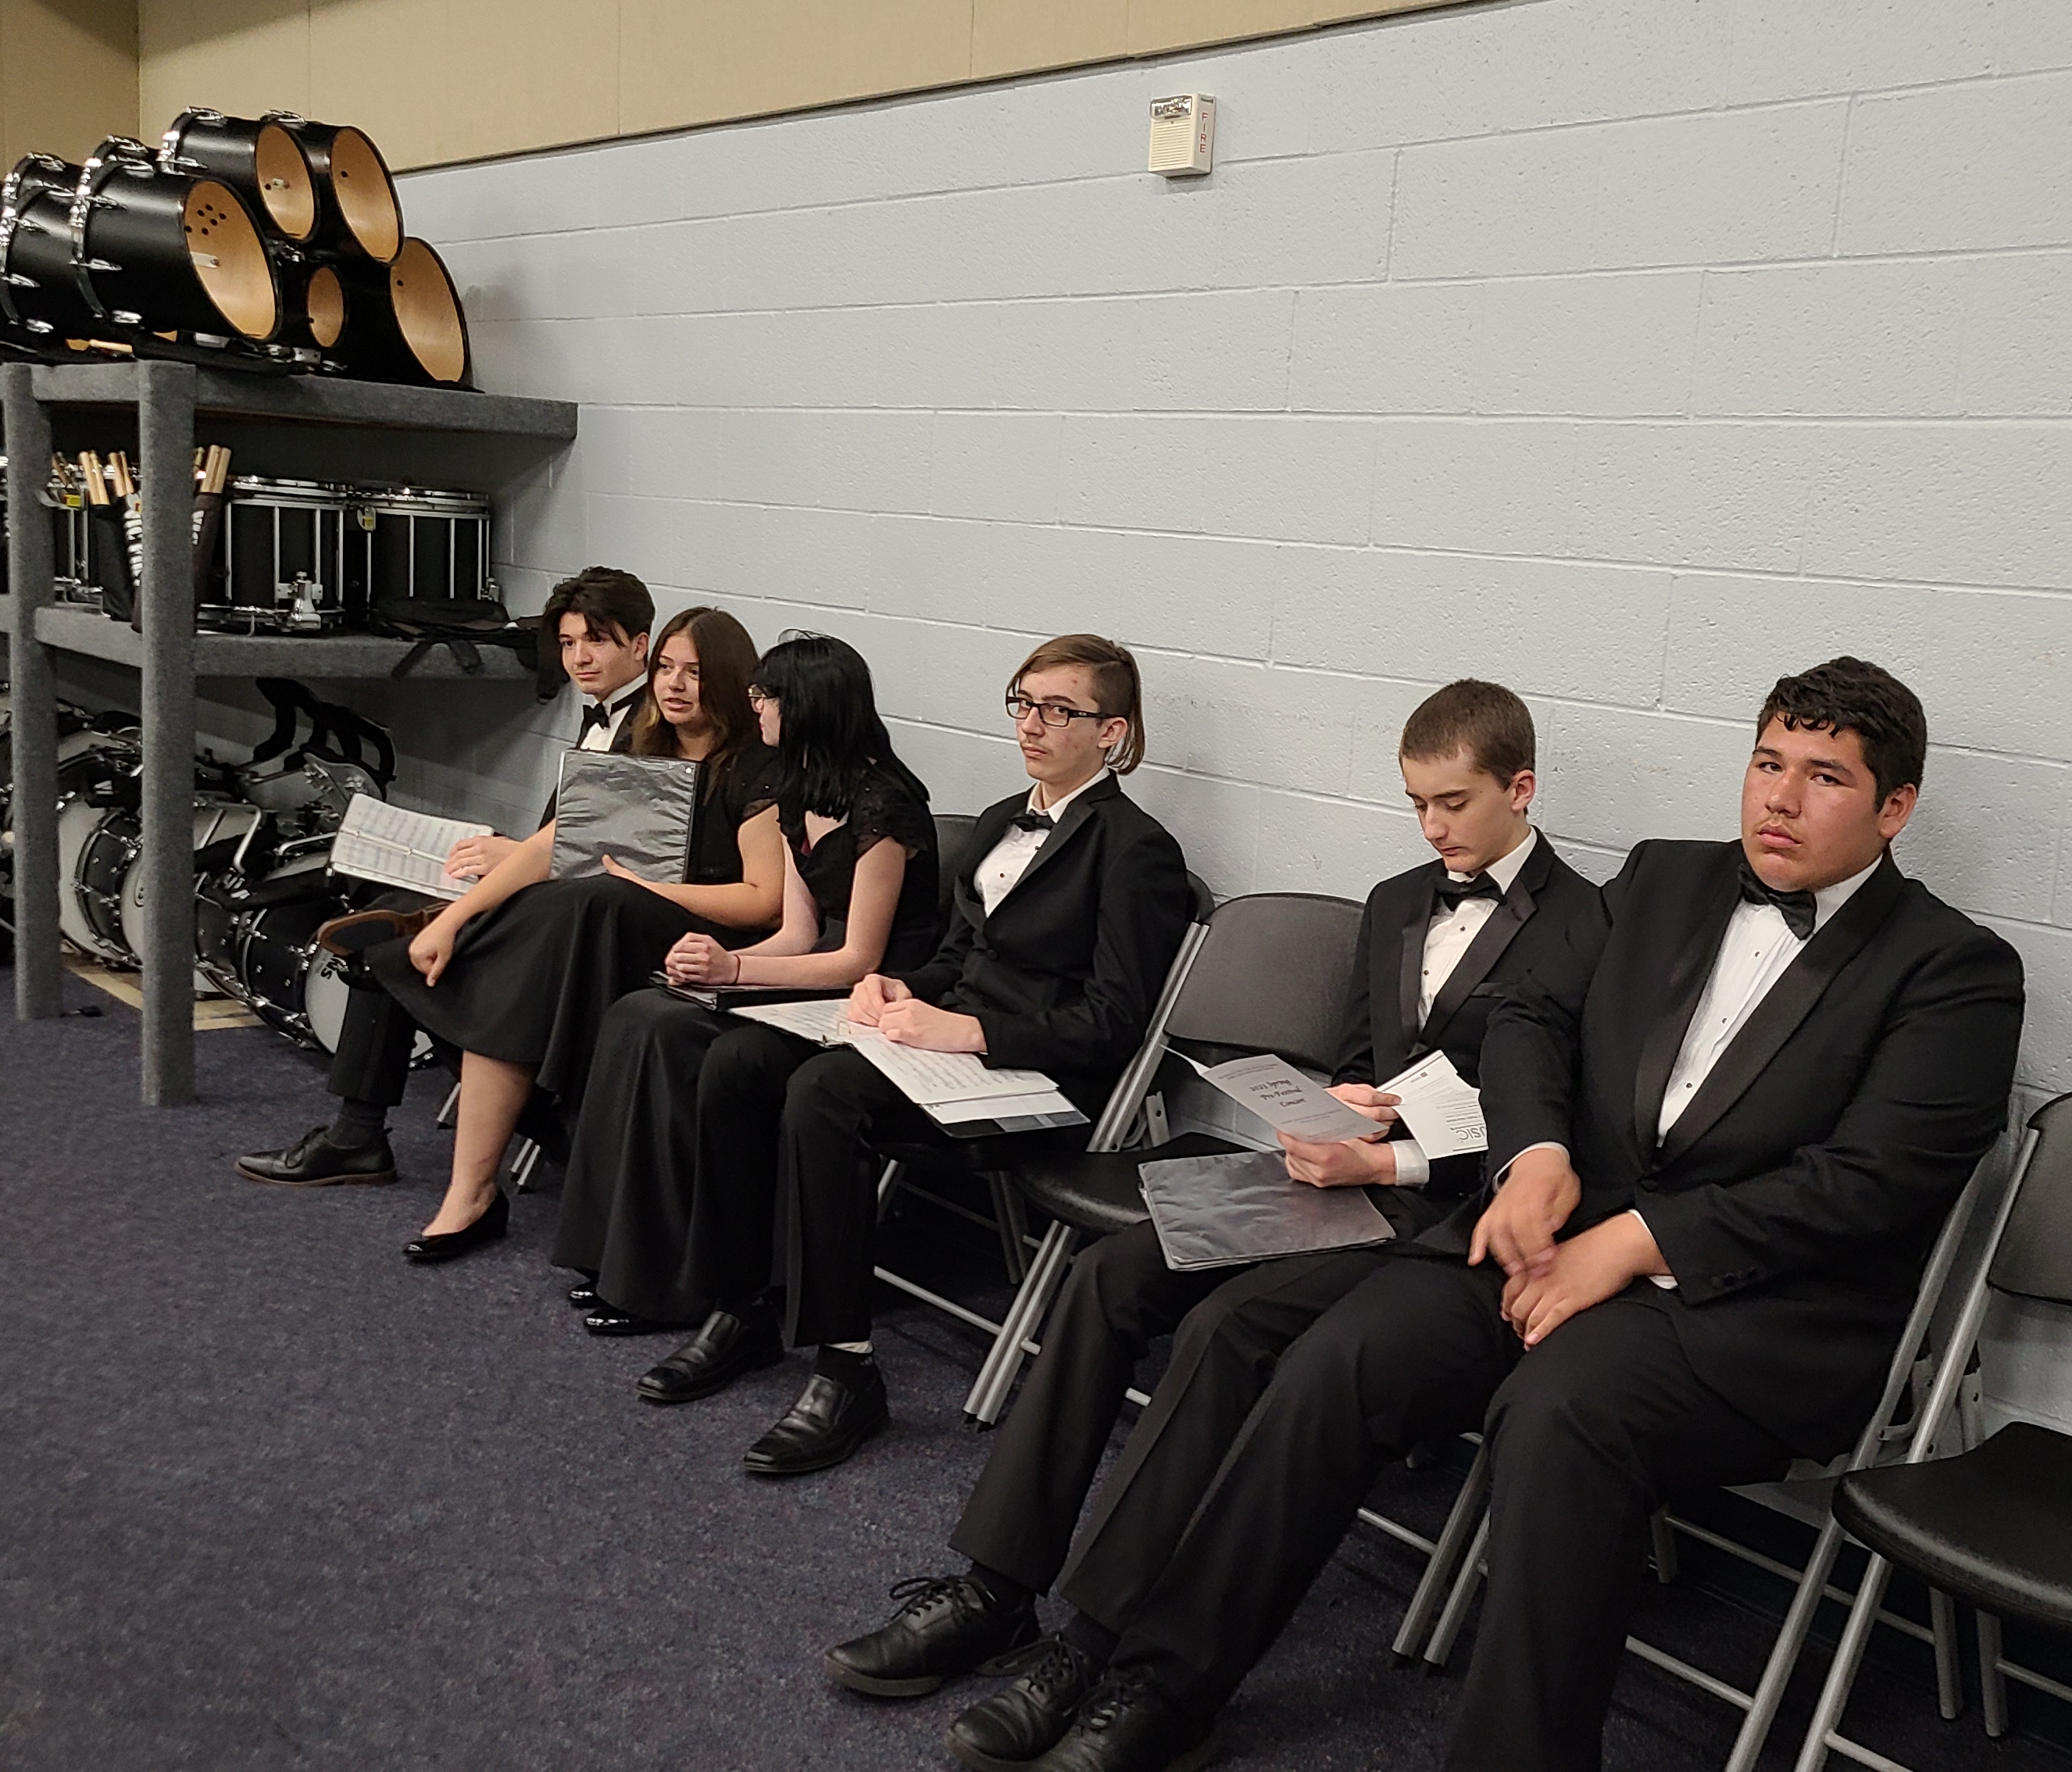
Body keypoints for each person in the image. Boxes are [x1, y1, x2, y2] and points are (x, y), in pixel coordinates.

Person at [1008, 658, 2027, 1772]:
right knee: (1339, 1356)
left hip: (1751, 1307)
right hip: (1552, 1235)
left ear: (1895, 808)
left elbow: (1870, 1184)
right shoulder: (1663, 877)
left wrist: (1633, 1244)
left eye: (1824, 778)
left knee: (1557, 1415)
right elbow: (1530, 1013)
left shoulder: (1957, 969)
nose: (1779, 799)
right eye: (1767, 763)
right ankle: (1165, 1683)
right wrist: (1535, 1153)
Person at [824, 680, 1610, 1770]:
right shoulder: (1395, 899)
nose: (1432, 828)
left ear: (1520, 790)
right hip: (1341, 1176)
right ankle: (996, 1587)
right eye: (1416, 804)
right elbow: (1361, 1058)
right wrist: (1334, 1108)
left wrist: (1389, 1153)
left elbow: (1550, 1121)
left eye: (1454, 804)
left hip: (1441, 1220)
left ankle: (1096, 1641)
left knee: (1223, 1329)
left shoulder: (1589, 926)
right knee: (1108, 1274)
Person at [646, 634, 1195, 1481]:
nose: (1032, 725)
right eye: (1024, 703)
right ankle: (742, 1302)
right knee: (740, 1060)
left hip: (1039, 1078)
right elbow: (958, 960)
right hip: (951, 1048)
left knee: (825, 1094)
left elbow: (1113, 1023)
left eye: (1059, 711)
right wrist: (897, 988)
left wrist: (970, 1033)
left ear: (1111, 732)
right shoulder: (1000, 821)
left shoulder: (1136, 849)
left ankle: (847, 1367)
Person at [553, 631, 948, 1345]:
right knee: (645, 1013)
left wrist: (734, 973)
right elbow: (796, 935)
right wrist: (715, 967)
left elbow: (857, 959)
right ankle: (622, 1260)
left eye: (768, 695)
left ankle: (681, 1283)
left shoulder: (886, 807)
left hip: (875, 994)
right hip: (814, 976)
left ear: (810, 706)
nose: (755, 705)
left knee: (686, 1040)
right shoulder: (802, 791)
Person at [234, 566, 681, 1190]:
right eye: (568, 643)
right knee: (389, 921)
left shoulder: (658, 727)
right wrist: (514, 853)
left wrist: (517, 857)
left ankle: (380, 1133)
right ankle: (363, 1131)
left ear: (640, 644)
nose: (578, 658)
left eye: (596, 641)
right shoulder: (604, 714)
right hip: (556, 894)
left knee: (398, 957)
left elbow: (621, 853)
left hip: (588, 921)